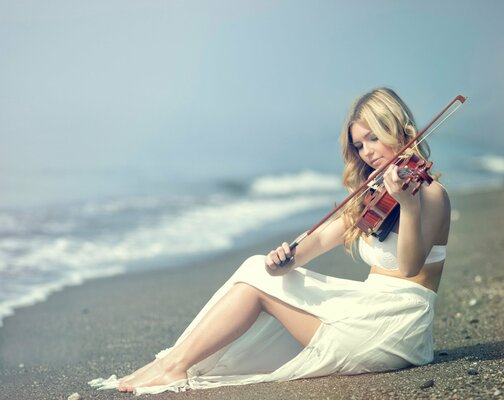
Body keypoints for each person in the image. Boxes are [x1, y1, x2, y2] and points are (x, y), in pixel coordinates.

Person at [89, 87, 451, 395]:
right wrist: (286, 259)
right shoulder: (374, 192)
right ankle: (172, 362)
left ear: (401, 132)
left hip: (396, 327)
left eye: (374, 138)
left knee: (257, 287)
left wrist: (408, 205)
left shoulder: (430, 195)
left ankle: (175, 366)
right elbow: (323, 237)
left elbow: (409, 266)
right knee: (256, 268)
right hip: (367, 310)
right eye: (359, 145)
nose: (368, 152)